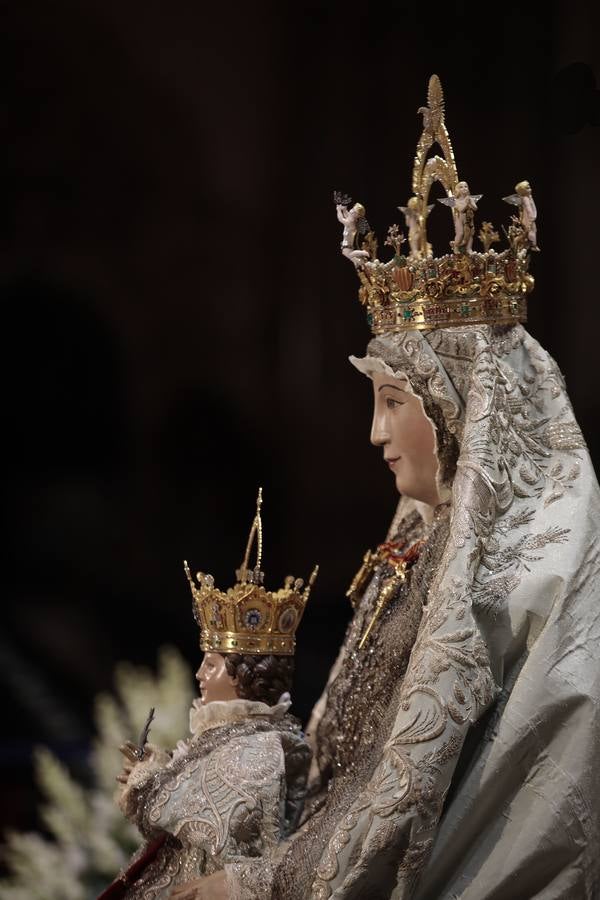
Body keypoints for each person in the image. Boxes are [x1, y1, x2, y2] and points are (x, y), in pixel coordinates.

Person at [213, 74, 600, 900]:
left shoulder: (515, 584)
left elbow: (405, 803)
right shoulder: (423, 545)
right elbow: (343, 769)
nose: (375, 435)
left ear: (466, 410)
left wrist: (261, 885)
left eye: (393, 402)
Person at [99, 490, 315, 900]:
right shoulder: (230, 734)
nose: (199, 674)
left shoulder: (263, 747)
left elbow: (205, 817)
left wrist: (149, 783)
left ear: (243, 675)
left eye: (211, 664)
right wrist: (155, 769)